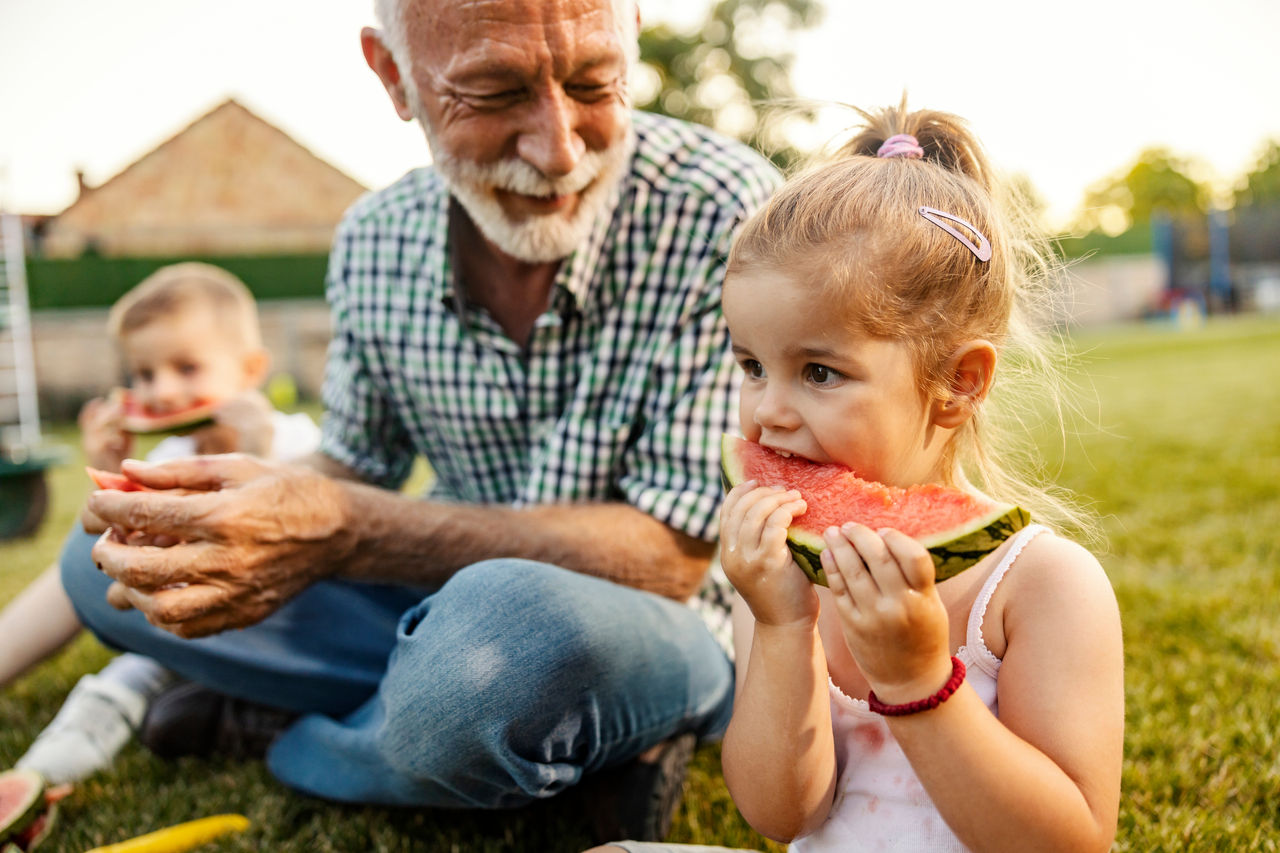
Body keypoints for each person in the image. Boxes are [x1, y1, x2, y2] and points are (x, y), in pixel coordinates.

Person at [60, 0, 780, 839]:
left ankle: (291, 740)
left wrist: (347, 527)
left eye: (595, 82)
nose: (558, 148)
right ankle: (523, 748)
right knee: (96, 566)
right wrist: (238, 508)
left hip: (655, 627)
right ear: (393, 75)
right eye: (495, 92)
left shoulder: (725, 210)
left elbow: (672, 556)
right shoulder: (373, 239)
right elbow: (353, 467)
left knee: (512, 642)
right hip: (446, 615)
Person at [589, 102, 1124, 852]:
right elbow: (784, 816)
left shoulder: (1043, 584)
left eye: (818, 371)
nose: (768, 411)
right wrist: (780, 627)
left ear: (959, 381)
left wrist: (918, 682)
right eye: (750, 365)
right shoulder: (784, 570)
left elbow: (1071, 842)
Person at [1, 262, 320, 784]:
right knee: (123, 671)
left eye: (187, 368)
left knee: (137, 674)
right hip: (178, 625)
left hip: (274, 631)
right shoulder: (168, 455)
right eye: (144, 375)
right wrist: (107, 468)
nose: (162, 392)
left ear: (251, 370)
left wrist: (258, 452)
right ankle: (44, 770)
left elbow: (306, 522)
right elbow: (94, 538)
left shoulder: (295, 441)